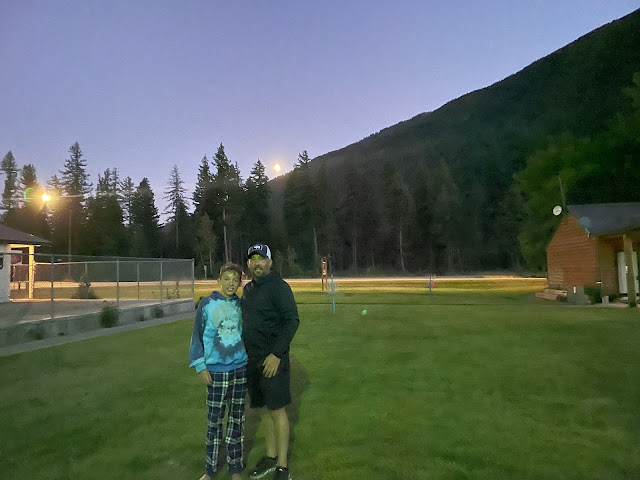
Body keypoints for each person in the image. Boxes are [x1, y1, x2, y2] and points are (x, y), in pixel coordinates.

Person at [242, 243, 300, 480]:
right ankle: (270, 455)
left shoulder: (279, 287)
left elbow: (292, 321)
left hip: (273, 361)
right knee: (263, 410)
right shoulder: (248, 289)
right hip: (252, 361)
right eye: (253, 259)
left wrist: (276, 354)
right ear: (249, 264)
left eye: (261, 258)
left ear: (269, 262)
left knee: (277, 411)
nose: (257, 263)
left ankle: (282, 467)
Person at [189, 262, 248, 480]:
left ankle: (235, 467)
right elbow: (196, 337)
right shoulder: (207, 305)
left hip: (240, 370)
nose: (231, 284)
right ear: (219, 280)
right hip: (215, 372)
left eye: (235, 280)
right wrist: (200, 366)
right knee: (214, 423)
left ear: (239, 283)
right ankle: (210, 470)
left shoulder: (241, 305)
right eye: (227, 279)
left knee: (237, 421)